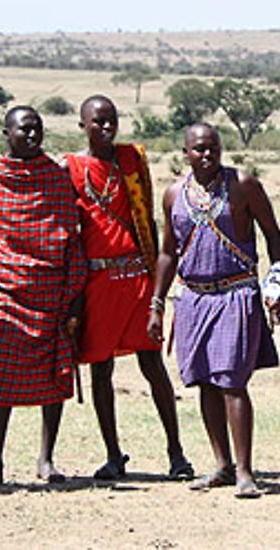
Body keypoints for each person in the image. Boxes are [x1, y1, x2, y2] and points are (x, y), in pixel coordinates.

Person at [147, 122, 280, 499]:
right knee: (204, 381)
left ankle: (244, 471)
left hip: (235, 295)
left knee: (232, 381)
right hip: (192, 297)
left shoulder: (243, 185)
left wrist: (277, 279)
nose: (207, 155)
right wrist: (157, 304)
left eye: (213, 148)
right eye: (199, 149)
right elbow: (167, 253)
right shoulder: (174, 194)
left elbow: (273, 235)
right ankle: (221, 465)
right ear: (185, 153)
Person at [66, 95, 192, 481]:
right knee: (100, 369)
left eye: (112, 120)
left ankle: (177, 454)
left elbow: (149, 221)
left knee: (151, 363)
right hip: (97, 281)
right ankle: (113, 455)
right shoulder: (68, 168)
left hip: (137, 275)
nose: (106, 128)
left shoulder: (131, 160)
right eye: (98, 122)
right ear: (82, 125)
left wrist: (157, 287)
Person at [0, 105, 86, 487]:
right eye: (24, 130)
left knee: (56, 374)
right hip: (5, 292)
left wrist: (73, 298)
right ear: (6, 133)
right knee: (3, 378)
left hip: (52, 290)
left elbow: (69, 234)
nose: (32, 136)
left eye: (38, 130)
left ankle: (46, 460)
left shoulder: (55, 177)